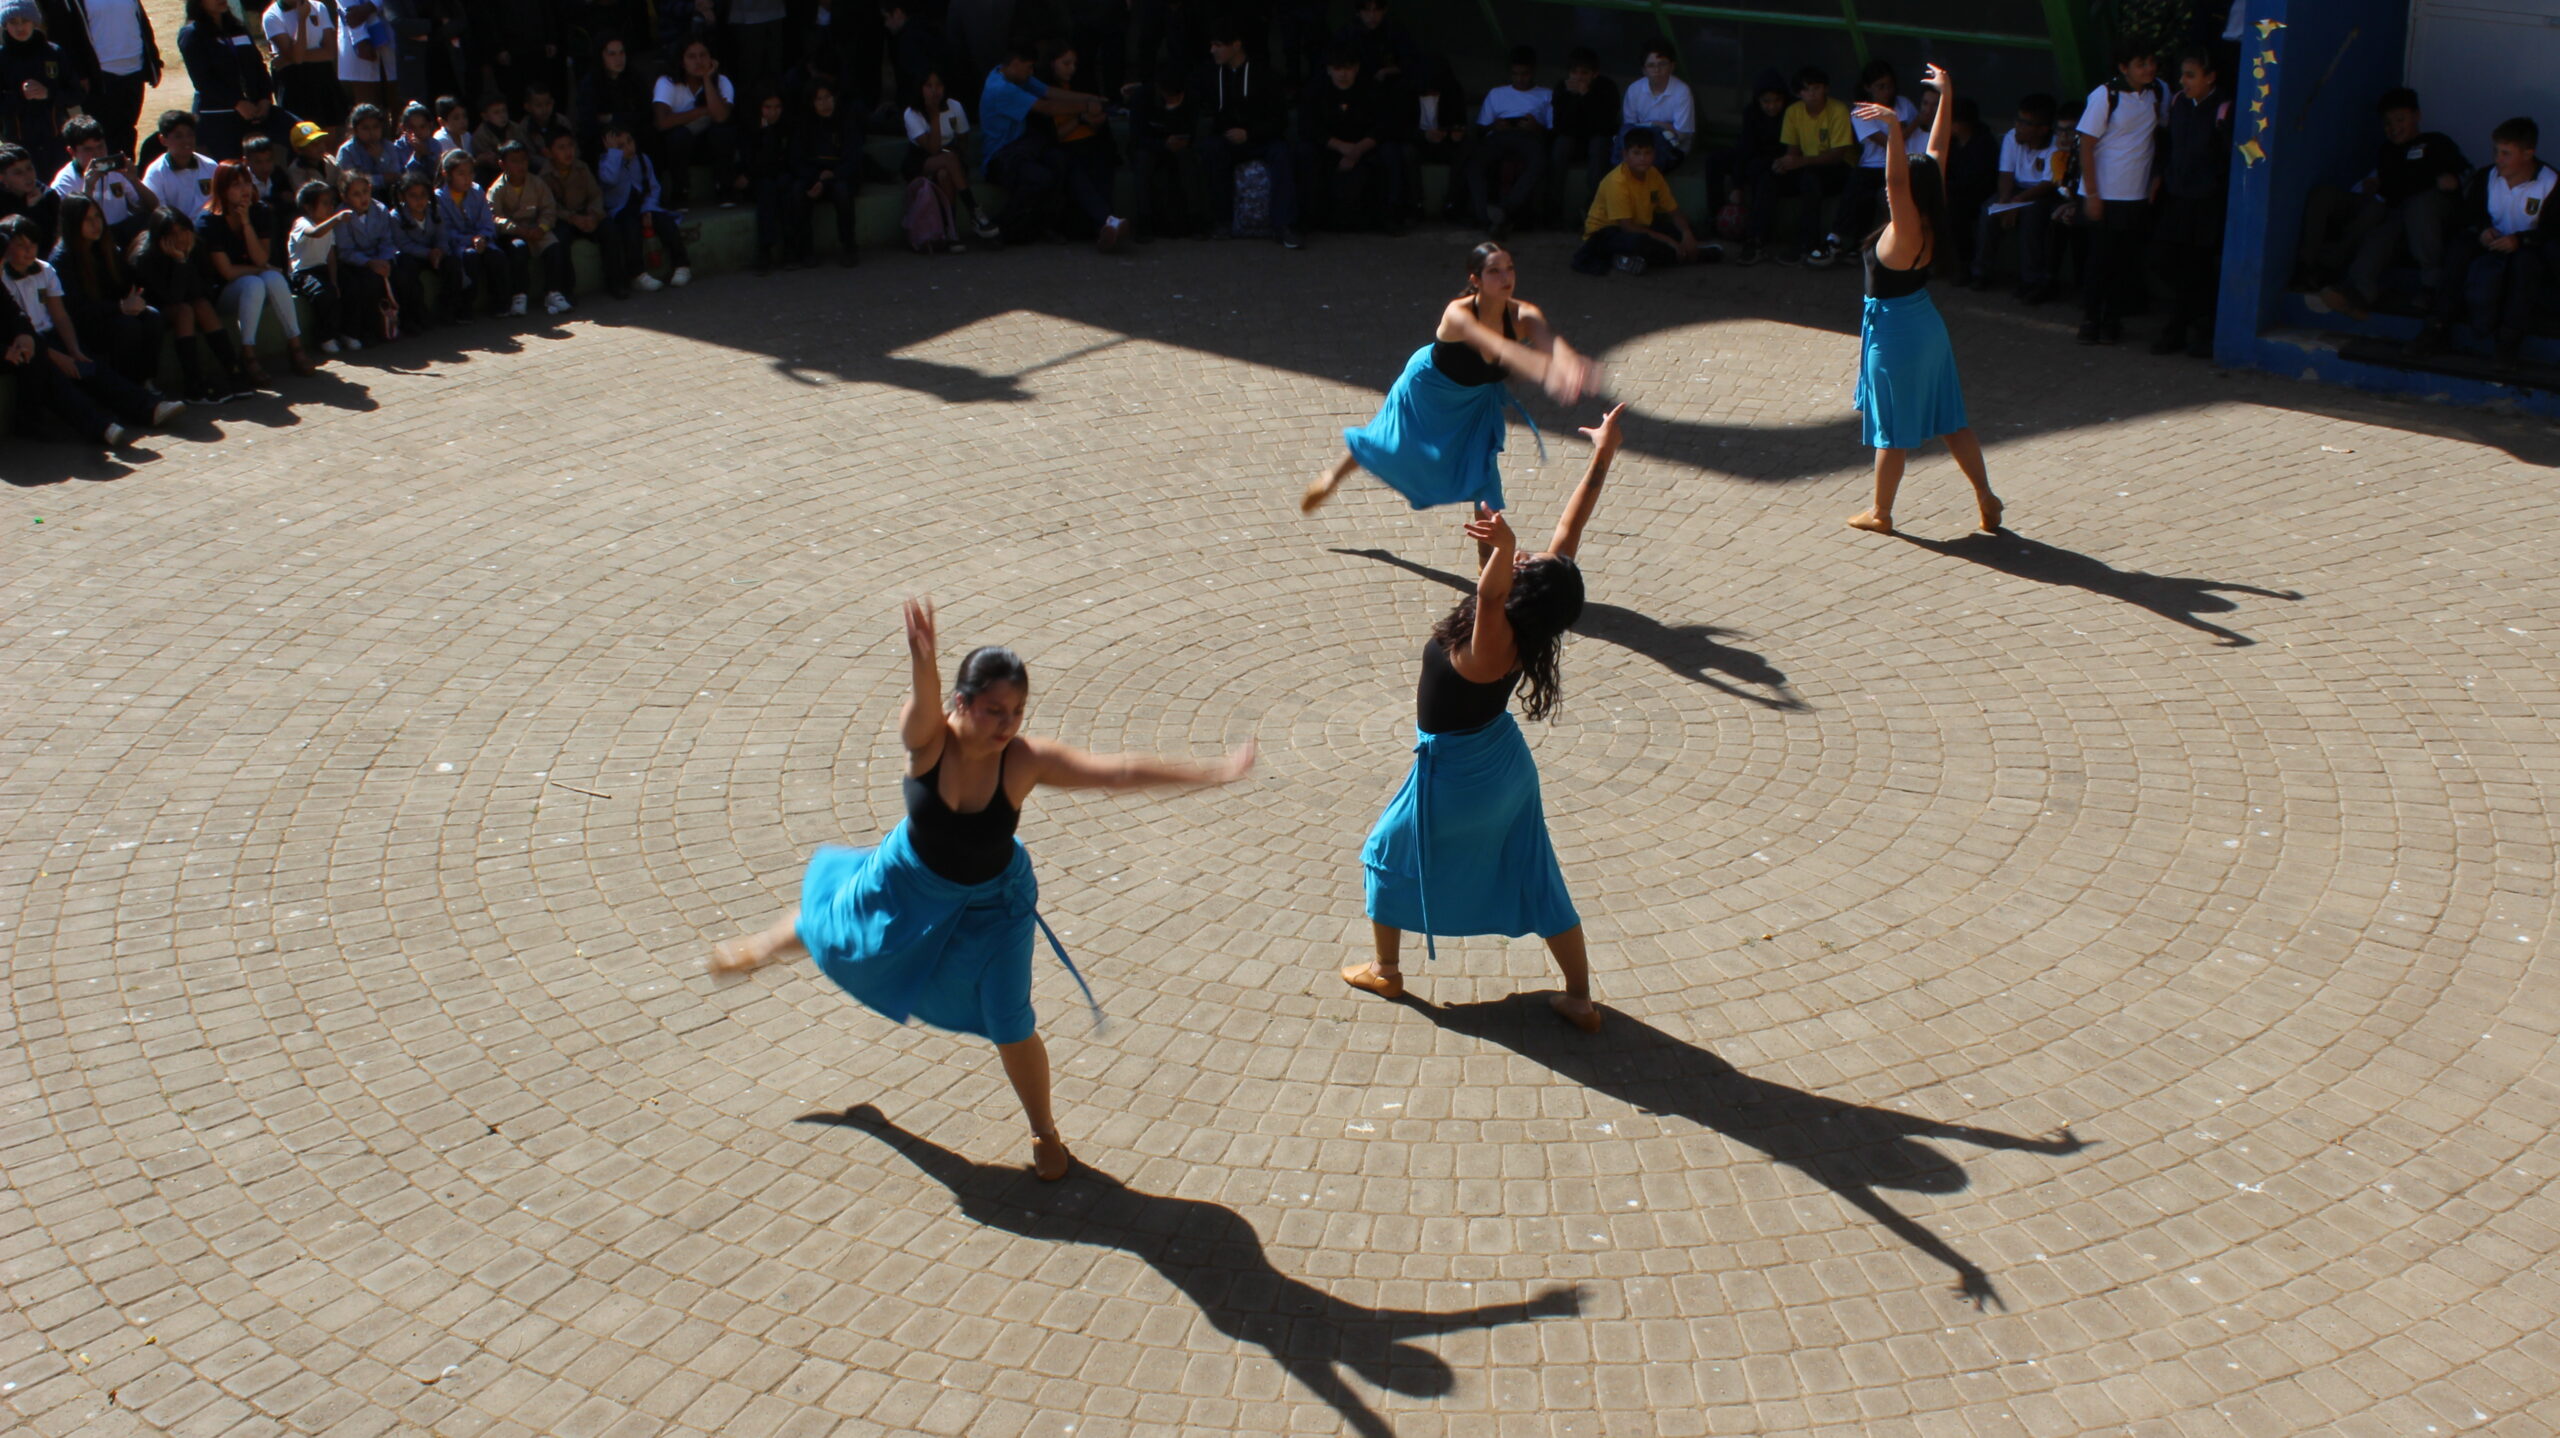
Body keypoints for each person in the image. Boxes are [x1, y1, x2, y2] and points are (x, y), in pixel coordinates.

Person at [707, 599, 1256, 1183]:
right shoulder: (929, 741)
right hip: (907, 880)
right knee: (837, 932)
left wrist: (1211, 772)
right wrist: (924, 659)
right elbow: (922, 706)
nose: (1007, 725)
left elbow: (1117, 773)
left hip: (994, 904)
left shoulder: (1022, 760)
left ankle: (1045, 1131)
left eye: (1017, 711)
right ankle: (762, 949)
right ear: (961, 703)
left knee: (1009, 1018)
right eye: (995, 711)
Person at [1338, 404, 1625, 1034]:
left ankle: (1386, 971)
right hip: (1504, 764)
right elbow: (1569, 529)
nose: (1525, 560)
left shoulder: (1495, 631)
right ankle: (1579, 998)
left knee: (1385, 851)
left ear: (1522, 589)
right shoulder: (1531, 617)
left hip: (1458, 773)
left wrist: (1508, 547)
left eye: (1525, 565)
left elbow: (1493, 588)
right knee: (1534, 872)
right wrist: (1602, 457)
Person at [1303, 241, 1599, 516]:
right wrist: (1545, 370)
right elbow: (1496, 346)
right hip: (1427, 390)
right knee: (1387, 441)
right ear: (1475, 279)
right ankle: (1332, 478)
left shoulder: (1524, 314)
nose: (1505, 277)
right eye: (1494, 271)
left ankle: (1491, 551)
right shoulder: (1458, 313)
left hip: (1475, 403)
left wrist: (1570, 362)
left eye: (1509, 268)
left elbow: (1550, 341)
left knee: (1483, 472)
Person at [1842, 65, 2001, 539]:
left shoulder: (1906, 225)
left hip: (1896, 335)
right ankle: (1986, 496)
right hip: (1927, 326)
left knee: (1892, 432)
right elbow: (1938, 150)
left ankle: (1881, 512)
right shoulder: (1933, 210)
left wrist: (1893, 129)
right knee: (1952, 421)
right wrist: (1946, 93)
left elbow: (1895, 181)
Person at [3, 211, 182, 443]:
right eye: (20, 245)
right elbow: (18, 326)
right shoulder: (3, 278)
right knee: (58, 380)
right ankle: (100, 427)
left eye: (32, 244)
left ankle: (148, 407)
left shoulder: (44, 270)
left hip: (51, 334)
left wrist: (74, 350)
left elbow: (60, 316)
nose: (28, 251)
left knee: (91, 366)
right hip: (27, 342)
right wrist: (59, 357)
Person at [2307, 88, 2466, 320]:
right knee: (2383, 227)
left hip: (2432, 216)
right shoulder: (2387, 151)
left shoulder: (2435, 142)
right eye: (2388, 123)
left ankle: (2431, 287)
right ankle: (2357, 293)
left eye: (2400, 120)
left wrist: (2453, 180)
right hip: (2398, 217)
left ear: (2417, 116)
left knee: (2417, 206)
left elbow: (2463, 175)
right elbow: (2388, 192)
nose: (2394, 128)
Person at [2416, 116, 2553, 364]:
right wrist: (2483, 230)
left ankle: (2508, 341)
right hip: (2492, 243)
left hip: (2528, 249)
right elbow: (2468, 214)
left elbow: (2554, 230)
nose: (2498, 159)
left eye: (2506, 153)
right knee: (2460, 249)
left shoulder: (2550, 182)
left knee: (2526, 265)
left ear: (2528, 153)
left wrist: (2520, 240)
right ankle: (2436, 327)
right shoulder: (2487, 176)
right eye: (2496, 151)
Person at [977, 39, 1123, 249]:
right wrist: (1086, 107)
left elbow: (1049, 92)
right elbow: (1047, 107)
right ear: (1016, 64)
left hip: (1023, 149)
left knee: (1063, 161)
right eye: (1029, 68)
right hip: (1001, 158)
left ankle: (1106, 221)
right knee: (1040, 178)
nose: (1031, 73)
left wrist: (1093, 99)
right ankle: (997, 228)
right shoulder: (1001, 89)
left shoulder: (1012, 75)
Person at [2073, 41, 2168, 346]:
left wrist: (2156, 176)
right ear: (2123, 68)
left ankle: (2113, 320)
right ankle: (2091, 320)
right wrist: (2092, 195)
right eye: (2141, 64)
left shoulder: (2158, 92)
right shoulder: (2104, 96)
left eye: (2151, 62)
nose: (2149, 69)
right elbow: (2086, 145)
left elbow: (2159, 135)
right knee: (2099, 260)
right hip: (2104, 193)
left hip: (2136, 194)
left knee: (2124, 261)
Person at [196, 155, 313, 378]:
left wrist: (246, 223)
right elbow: (227, 272)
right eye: (236, 185)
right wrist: (261, 270)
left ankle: (295, 346)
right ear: (222, 189)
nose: (244, 190)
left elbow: (260, 258)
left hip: (257, 281)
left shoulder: (259, 211)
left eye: (247, 183)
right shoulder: (208, 221)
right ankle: (248, 354)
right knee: (254, 283)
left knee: (274, 279)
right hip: (223, 292)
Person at [2150, 51, 2229, 357]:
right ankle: (2189, 324)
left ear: (2210, 77)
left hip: (2206, 201)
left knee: (2197, 266)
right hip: (2176, 196)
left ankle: (2190, 331)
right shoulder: (2179, 103)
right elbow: (2168, 145)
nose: (2183, 81)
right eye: (2182, 74)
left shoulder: (2224, 110)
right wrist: (2161, 176)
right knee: (2165, 259)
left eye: (2191, 75)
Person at [128, 207, 249, 398]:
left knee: (202, 305)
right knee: (184, 310)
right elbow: (170, 298)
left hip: (188, 302)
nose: (180, 237)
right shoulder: (145, 256)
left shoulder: (196, 245)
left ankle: (233, 370)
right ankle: (193, 382)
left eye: (183, 230)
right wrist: (180, 263)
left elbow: (203, 290)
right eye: (172, 233)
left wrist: (186, 260)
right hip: (153, 309)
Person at [1197, 25, 1297, 248]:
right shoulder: (1212, 74)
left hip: (1261, 139)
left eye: (1218, 45)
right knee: (1211, 149)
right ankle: (1221, 221)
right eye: (1212, 45)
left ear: (1236, 45)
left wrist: (1251, 133)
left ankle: (1284, 225)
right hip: (1228, 140)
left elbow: (1280, 119)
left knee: (1281, 153)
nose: (1213, 50)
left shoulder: (1264, 74)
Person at [46, 189, 159, 381]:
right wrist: (119, 307)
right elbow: (77, 309)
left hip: (111, 312)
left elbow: (126, 282)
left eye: (97, 216)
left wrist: (135, 298)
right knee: (128, 326)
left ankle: (147, 380)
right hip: (85, 324)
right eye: (87, 219)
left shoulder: (104, 247)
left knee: (152, 317)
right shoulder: (62, 260)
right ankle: (129, 383)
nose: (95, 224)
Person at [34, 0, 164, 156]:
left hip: (134, 71)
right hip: (98, 77)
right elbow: (64, 33)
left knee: (127, 132)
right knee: (100, 138)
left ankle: (125, 171)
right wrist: (81, 73)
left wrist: (153, 61)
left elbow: (139, 19)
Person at [1570, 125, 1699, 276]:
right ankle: (1680, 254)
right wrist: (1669, 241)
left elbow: (1674, 211)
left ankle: (1668, 254)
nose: (1642, 158)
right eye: (1636, 153)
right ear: (1625, 155)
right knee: (1640, 243)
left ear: (1654, 154)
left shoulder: (1654, 175)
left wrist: (1686, 233)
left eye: (1647, 153)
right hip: (1605, 233)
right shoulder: (1617, 181)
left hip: (1639, 227)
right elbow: (1627, 227)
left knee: (1684, 229)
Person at [1966, 92, 2060, 297]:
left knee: (2032, 217)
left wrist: (2018, 202)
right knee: (1989, 211)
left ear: (2043, 129)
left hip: (2041, 193)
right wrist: (2005, 202)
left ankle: (2031, 280)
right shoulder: (2011, 137)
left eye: (2026, 123)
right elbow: (2006, 174)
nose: (2018, 126)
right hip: (2015, 189)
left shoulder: (2056, 145)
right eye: (2018, 120)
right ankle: (1980, 273)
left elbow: (2048, 183)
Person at [1299, 44, 1394, 233]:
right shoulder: (1315, 91)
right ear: (1329, 69)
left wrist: (1357, 150)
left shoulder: (1371, 90)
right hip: (1328, 149)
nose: (1343, 74)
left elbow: (1383, 126)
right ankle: (1309, 218)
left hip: (1365, 148)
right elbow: (1310, 127)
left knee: (1390, 153)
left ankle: (1388, 217)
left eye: (1348, 68)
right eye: (1338, 68)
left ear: (1356, 68)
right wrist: (1340, 146)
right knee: (1305, 153)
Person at [1767, 64, 1853, 266]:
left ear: (1826, 89)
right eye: (1806, 90)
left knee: (1810, 180)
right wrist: (1785, 164)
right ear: (1799, 93)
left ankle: (1808, 245)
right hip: (1808, 168)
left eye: (1816, 88)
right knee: (1768, 178)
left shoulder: (1838, 110)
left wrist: (1800, 162)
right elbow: (1792, 151)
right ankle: (1757, 239)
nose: (1812, 94)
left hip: (1840, 170)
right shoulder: (1793, 112)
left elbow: (1838, 155)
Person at [900, 69, 996, 243]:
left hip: (949, 154)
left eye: (938, 85)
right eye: (928, 86)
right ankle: (974, 210)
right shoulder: (912, 113)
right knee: (949, 159)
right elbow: (932, 149)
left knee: (945, 173)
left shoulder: (954, 106)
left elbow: (963, 137)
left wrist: (958, 153)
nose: (934, 91)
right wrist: (934, 115)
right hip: (921, 159)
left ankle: (950, 229)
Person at [1834, 57, 1916, 259]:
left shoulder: (1904, 104)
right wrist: (1912, 124)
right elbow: (1889, 143)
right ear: (1868, 87)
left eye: (1890, 86)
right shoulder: (1860, 112)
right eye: (1881, 87)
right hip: (1871, 167)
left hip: (1902, 164)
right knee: (1860, 190)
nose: (1887, 91)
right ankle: (1841, 239)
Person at [175, 0, 275, 161]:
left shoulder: (238, 28)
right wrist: (237, 103)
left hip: (255, 114)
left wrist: (265, 98)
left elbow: (258, 66)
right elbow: (203, 81)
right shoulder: (192, 34)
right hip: (217, 119)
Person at [1466, 45, 1548, 238]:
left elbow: (1552, 131)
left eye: (1524, 74)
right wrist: (1495, 126)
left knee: (1539, 162)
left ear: (1533, 72)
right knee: (1474, 163)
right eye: (1515, 74)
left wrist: (1535, 127)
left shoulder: (1546, 94)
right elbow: (1481, 129)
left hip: (1529, 137)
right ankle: (1484, 216)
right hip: (1499, 137)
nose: (1519, 79)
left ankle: (1504, 210)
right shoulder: (1497, 93)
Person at [598, 117, 688, 289]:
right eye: (620, 146)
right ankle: (637, 274)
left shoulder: (642, 159)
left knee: (665, 222)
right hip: (621, 210)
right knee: (630, 229)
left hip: (643, 205)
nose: (628, 148)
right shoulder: (606, 164)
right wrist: (613, 155)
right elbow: (610, 179)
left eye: (630, 141)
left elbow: (653, 188)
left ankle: (681, 265)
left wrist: (647, 209)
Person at [652, 37, 735, 207]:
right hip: (678, 147)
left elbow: (720, 116)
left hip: (708, 145)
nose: (698, 61)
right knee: (678, 135)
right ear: (682, 62)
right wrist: (703, 111)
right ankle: (680, 192)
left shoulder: (722, 82)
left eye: (703, 55)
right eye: (691, 56)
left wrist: (707, 79)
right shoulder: (667, 82)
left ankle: (724, 188)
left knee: (722, 132)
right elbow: (662, 122)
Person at [485, 138, 566, 313]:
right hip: (512, 233)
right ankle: (519, 295)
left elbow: (549, 208)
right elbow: (494, 217)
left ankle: (553, 292)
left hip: (537, 229)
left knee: (554, 247)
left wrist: (542, 227)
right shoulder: (496, 189)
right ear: (502, 164)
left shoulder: (537, 183)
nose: (520, 165)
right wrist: (516, 229)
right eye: (514, 161)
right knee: (518, 249)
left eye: (523, 160)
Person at [2, 0, 82, 177]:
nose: (20, 27)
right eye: (13, 22)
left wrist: (49, 94)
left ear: (34, 22)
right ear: (5, 25)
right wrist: (20, 96)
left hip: (56, 143)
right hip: (18, 148)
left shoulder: (54, 52)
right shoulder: (2, 59)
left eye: (25, 21)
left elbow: (76, 94)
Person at [48, 114, 156, 242]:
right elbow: (66, 230)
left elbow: (152, 206)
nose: (97, 154)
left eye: (100, 146)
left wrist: (134, 180)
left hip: (120, 232)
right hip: (89, 240)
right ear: (72, 152)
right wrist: (88, 189)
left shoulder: (115, 169)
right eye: (88, 149)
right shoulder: (65, 182)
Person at [1123, 63, 1198, 239]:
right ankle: (1144, 220)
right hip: (1147, 146)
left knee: (1188, 161)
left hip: (1176, 146)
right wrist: (1162, 144)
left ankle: (1194, 218)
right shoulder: (1142, 97)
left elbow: (1191, 131)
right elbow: (1137, 137)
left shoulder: (1190, 98)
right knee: (1143, 161)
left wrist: (1181, 140)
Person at [791, 80, 859, 267]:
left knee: (842, 192)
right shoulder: (805, 124)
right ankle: (805, 250)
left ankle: (849, 247)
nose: (825, 103)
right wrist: (816, 179)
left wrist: (831, 177)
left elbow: (853, 159)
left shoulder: (846, 121)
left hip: (839, 175)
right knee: (797, 191)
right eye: (819, 99)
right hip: (812, 176)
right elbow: (796, 160)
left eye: (828, 97)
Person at [430, 146, 504, 316]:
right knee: (469, 258)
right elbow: (445, 231)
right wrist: (470, 240)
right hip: (457, 246)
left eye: (470, 173)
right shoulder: (439, 198)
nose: (467, 178)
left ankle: (499, 302)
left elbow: (486, 220)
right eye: (461, 174)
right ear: (447, 174)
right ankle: (465, 307)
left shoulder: (476, 191)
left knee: (496, 257)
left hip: (481, 240)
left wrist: (483, 237)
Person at [543, 129, 615, 296]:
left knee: (609, 229)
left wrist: (593, 215)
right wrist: (571, 218)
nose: (568, 151)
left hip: (586, 215)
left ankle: (615, 282)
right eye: (561, 148)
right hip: (564, 219)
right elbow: (550, 206)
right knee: (560, 239)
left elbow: (595, 194)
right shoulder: (544, 176)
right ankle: (566, 290)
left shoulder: (582, 168)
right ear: (549, 152)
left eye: (570, 146)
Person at [1547, 46, 1615, 218]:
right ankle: (1553, 209)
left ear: (1594, 74)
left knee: (1599, 146)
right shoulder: (1562, 88)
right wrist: (1572, 98)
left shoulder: (1607, 88)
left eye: (1584, 73)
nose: (1578, 77)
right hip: (1572, 141)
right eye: (1574, 72)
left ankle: (1592, 208)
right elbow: (1560, 125)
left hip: (1598, 140)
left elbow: (1605, 125)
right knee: (1561, 145)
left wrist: (1586, 96)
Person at [286, 176, 353, 351]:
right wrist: (337, 219)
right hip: (302, 273)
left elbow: (330, 255)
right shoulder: (302, 223)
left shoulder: (328, 225)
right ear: (308, 207)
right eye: (325, 203)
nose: (330, 207)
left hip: (322, 270)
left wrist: (334, 281)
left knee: (349, 286)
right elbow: (315, 233)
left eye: (331, 203)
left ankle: (348, 333)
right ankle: (325, 337)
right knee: (323, 293)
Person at [331, 166, 396, 340]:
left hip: (380, 258)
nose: (363, 198)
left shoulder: (380, 209)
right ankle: (368, 330)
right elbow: (345, 251)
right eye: (356, 194)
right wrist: (369, 263)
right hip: (356, 263)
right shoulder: (342, 216)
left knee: (401, 273)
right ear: (345, 197)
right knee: (366, 284)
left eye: (365, 192)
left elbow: (386, 240)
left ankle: (397, 323)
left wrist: (383, 260)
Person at [387, 172, 457, 324]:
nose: (419, 200)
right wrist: (428, 253)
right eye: (413, 196)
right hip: (413, 256)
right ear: (403, 197)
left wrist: (439, 251)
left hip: (435, 254)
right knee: (406, 271)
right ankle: (415, 316)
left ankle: (447, 309)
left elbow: (442, 236)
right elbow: (403, 244)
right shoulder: (395, 216)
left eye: (423, 195)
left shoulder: (435, 210)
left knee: (452, 265)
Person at [258, 0, 338, 127]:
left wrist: (290, 58)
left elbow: (330, 52)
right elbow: (297, 57)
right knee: (303, 132)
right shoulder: (272, 16)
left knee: (330, 129)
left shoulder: (318, 7)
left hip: (322, 76)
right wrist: (302, 20)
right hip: (294, 84)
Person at [1617, 36, 1691, 171]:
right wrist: (1664, 125)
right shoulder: (1634, 89)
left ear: (1672, 66)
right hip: (1639, 146)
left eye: (1662, 64)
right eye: (1651, 65)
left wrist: (1655, 125)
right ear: (1644, 70)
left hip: (1673, 148)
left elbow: (1682, 135)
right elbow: (1629, 129)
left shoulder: (1682, 91)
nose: (1657, 70)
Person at [575, 34, 651, 159]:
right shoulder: (590, 84)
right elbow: (588, 122)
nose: (619, 59)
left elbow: (645, 112)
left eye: (621, 53)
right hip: (603, 142)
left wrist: (612, 117)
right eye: (612, 54)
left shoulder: (635, 79)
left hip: (634, 135)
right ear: (601, 56)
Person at [140, 107, 214, 217]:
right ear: (163, 140)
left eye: (190, 135)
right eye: (178, 136)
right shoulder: (156, 173)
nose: (186, 140)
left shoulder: (210, 166)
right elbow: (160, 213)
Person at [0, 138, 61, 248]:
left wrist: (36, 209)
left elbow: (49, 240)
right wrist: (27, 211)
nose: (28, 176)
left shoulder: (48, 196)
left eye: (29, 168)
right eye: (18, 173)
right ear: (2, 178)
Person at [334, 101, 401, 195]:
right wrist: (383, 178)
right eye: (365, 128)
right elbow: (350, 183)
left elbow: (395, 177)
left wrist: (380, 157)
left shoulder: (389, 146)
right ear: (355, 130)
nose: (372, 132)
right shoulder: (347, 151)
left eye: (375, 127)